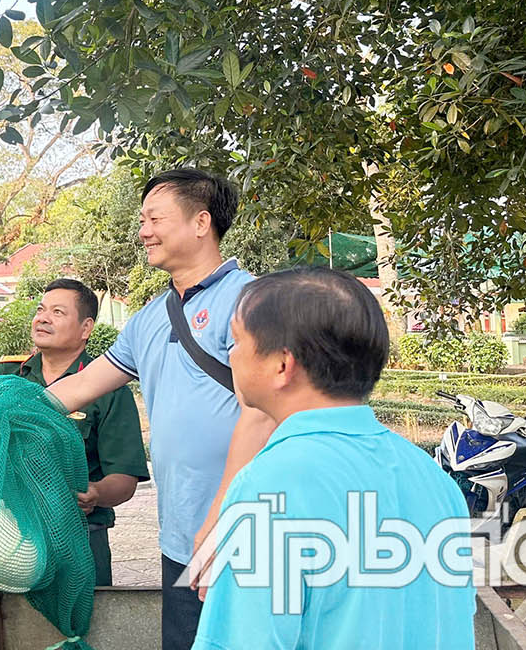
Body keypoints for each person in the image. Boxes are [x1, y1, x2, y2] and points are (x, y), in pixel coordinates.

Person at [43, 168, 277, 650]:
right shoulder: (148, 318)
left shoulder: (252, 302)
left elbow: (264, 412)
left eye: (155, 219)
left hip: (249, 531)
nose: (144, 232)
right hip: (181, 535)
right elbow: (81, 385)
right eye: (142, 220)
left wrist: (223, 518)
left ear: (201, 222)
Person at [192, 267, 474, 649]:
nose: (231, 355)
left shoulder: (268, 488)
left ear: (282, 365)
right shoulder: (434, 478)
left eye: (238, 340)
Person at [0, 278, 149, 585]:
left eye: (58, 312)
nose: (43, 318)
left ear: (86, 328)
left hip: (79, 538)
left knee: (84, 615)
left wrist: (96, 493)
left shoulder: (109, 391)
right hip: (5, 535)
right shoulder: (7, 375)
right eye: (40, 310)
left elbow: (124, 480)